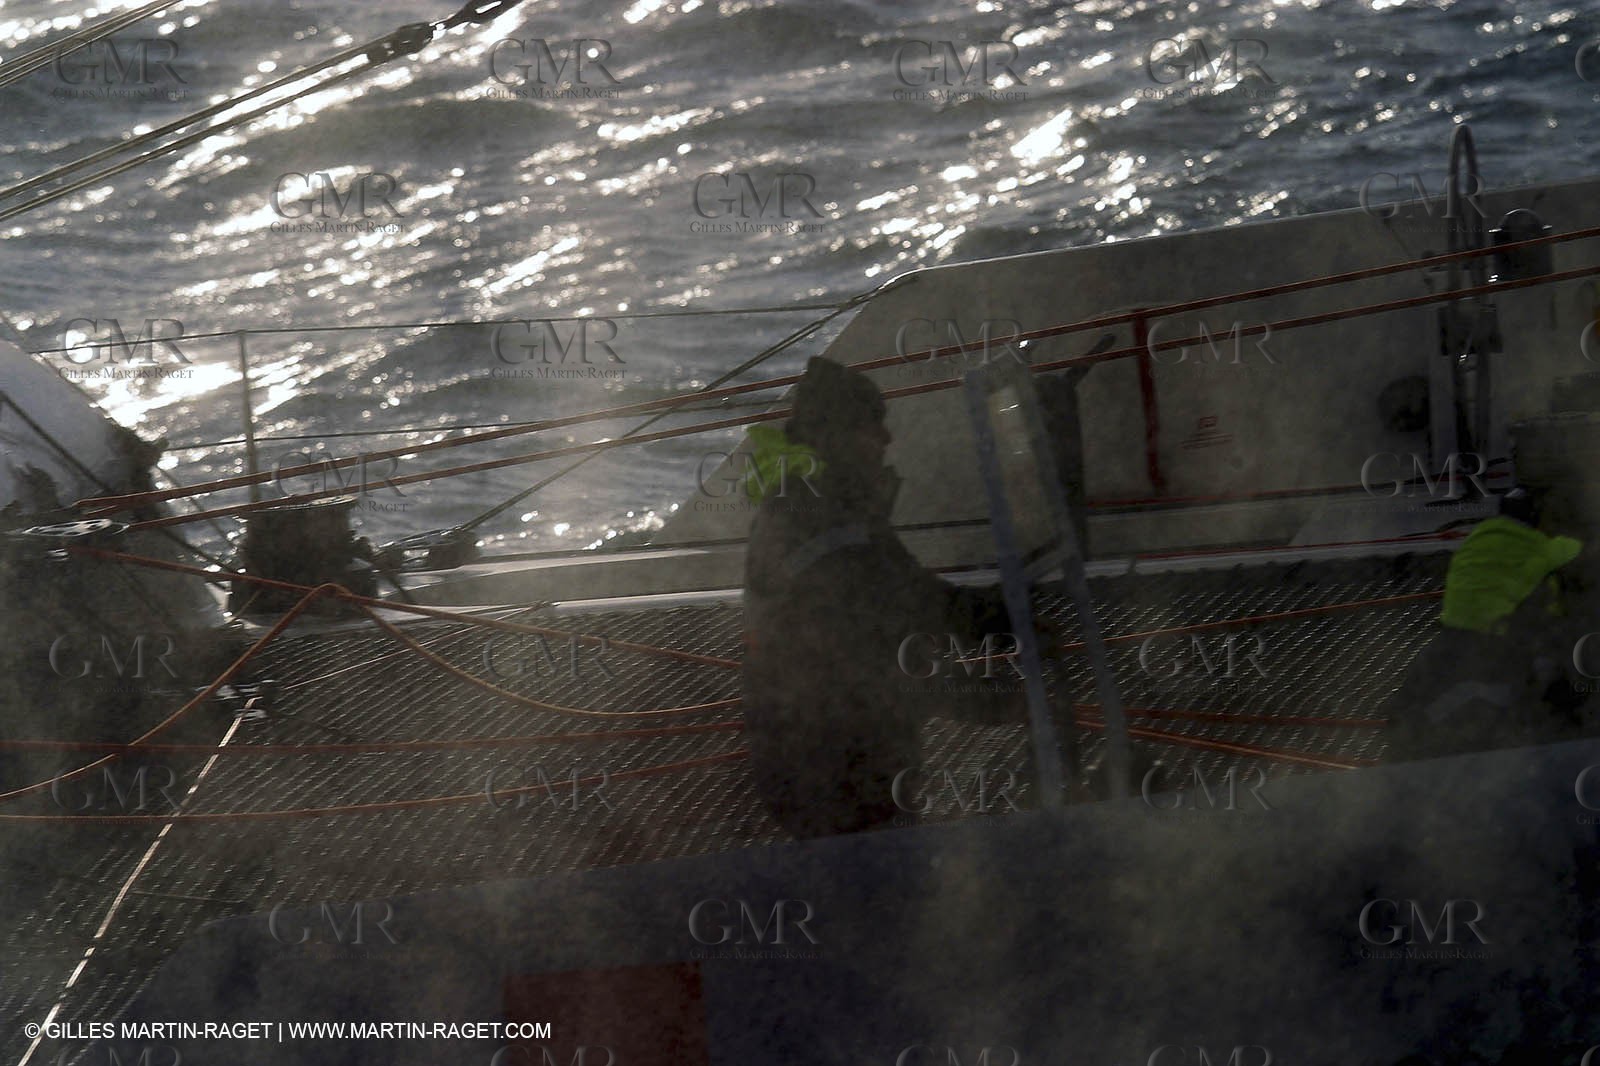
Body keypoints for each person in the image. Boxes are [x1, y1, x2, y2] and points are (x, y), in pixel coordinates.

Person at [740, 356, 1021, 839]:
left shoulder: (817, 505)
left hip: (826, 758)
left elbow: (907, 599)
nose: (887, 441)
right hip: (830, 772)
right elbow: (884, 633)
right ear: (838, 435)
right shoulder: (819, 519)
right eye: (874, 428)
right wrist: (995, 698)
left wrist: (999, 614)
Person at [1382, 485, 1592, 761]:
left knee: (1416, 701)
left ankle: (1400, 746)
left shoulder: (1473, 540)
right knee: (1552, 688)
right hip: (1499, 640)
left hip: (1451, 635)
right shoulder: (1542, 546)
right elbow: (1581, 555)